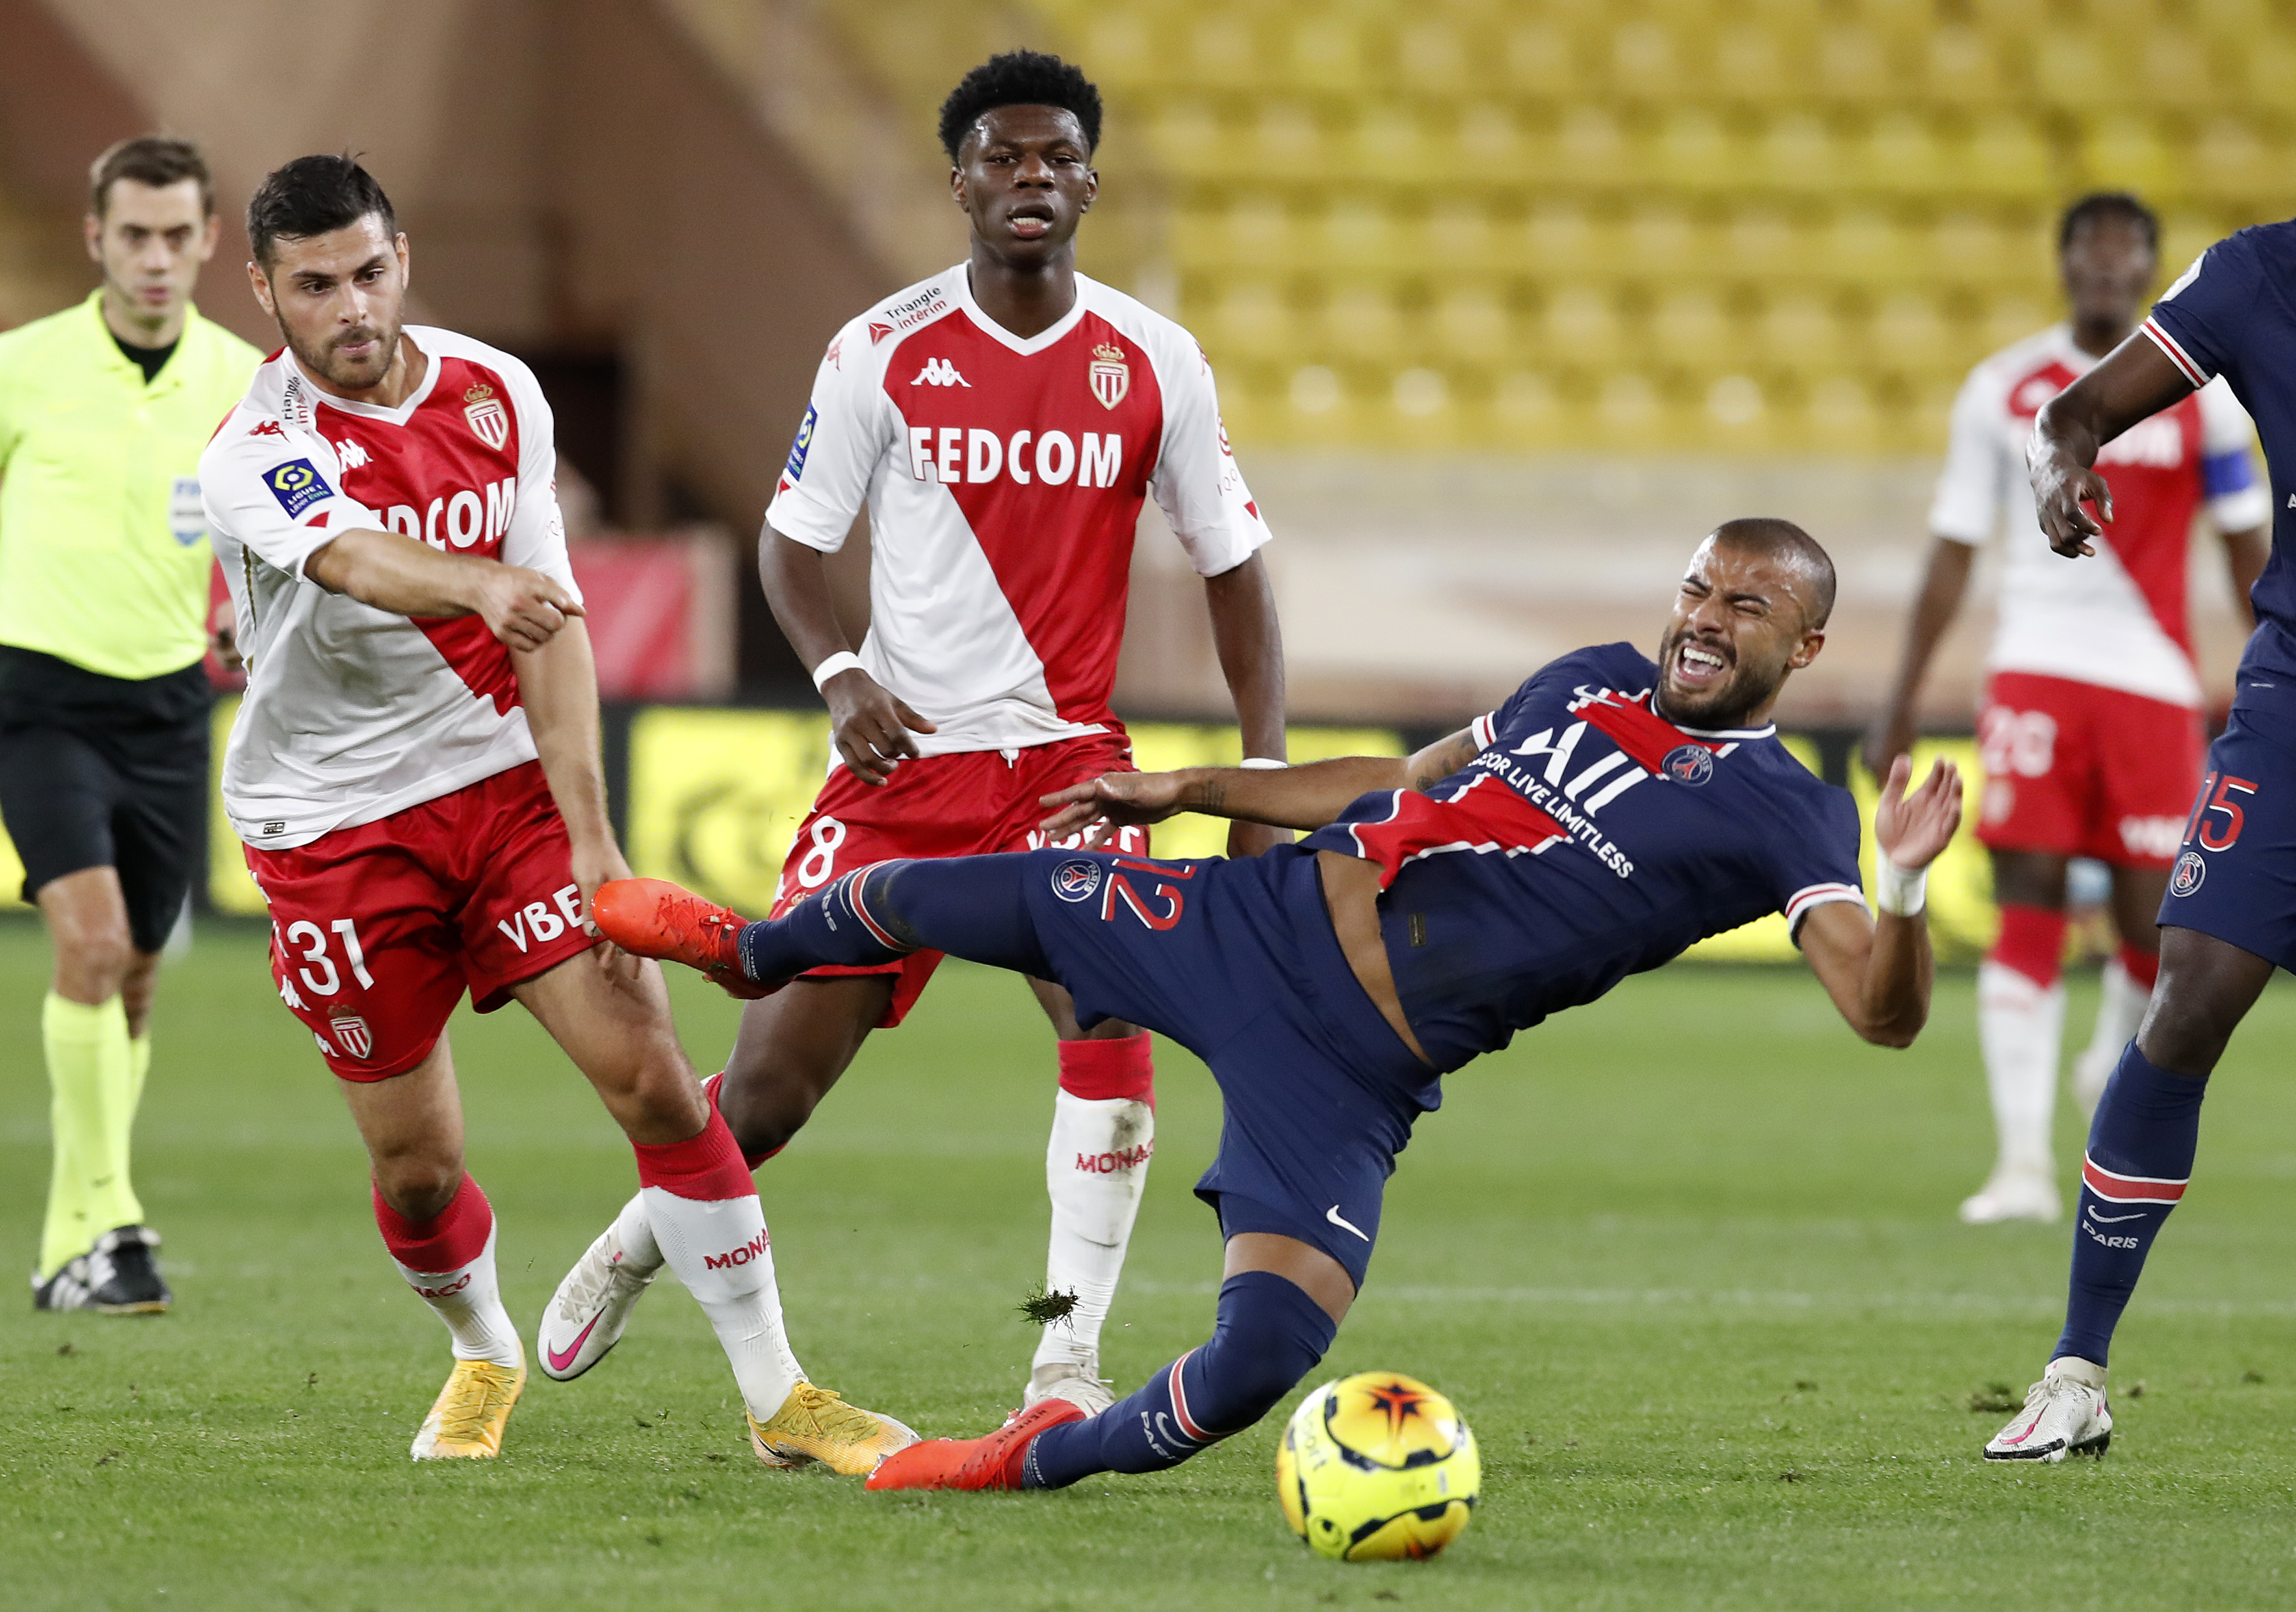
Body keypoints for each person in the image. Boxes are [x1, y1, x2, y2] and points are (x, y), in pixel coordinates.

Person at [591, 519, 1965, 1494]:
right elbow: (1394, 780)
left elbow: (1883, 1010)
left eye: (1747, 607)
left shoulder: (1787, 813)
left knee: (1259, 1360)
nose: (1706, 620)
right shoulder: (1590, 675)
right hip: (1258, 924)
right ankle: (755, 951)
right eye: (1699, 588)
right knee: (967, 885)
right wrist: (1192, 790)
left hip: (1354, 1073)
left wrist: (1899, 887)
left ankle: (1025, 1454)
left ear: (1810, 643)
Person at [540, 51, 1286, 1418]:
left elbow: (1236, 565)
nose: (1031, 179)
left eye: (1057, 159)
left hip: (1069, 770)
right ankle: (637, 1237)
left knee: (1111, 1034)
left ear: (1090, 184)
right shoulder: (882, 348)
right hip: (904, 769)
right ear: (959, 182)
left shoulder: (1156, 361)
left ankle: (1065, 1355)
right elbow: (792, 542)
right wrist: (836, 672)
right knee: (767, 1093)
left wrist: (1266, 764)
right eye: (1004, 158)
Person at [201, 153, 913, 1469]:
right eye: (314, 286)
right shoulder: (259, 447)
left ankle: (780, 1396)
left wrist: (596, 847)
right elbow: (357, 560)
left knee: (652, 1072)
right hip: (332, 825)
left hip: (502, 787)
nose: (350, 308)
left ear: (402, 256)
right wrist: (478, 583)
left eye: (368, 272)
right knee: (417, 1167)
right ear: (264, 292)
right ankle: (483, 1344)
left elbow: (553, 625)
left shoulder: (498, 392)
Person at [1867, 192, 2269, 1228]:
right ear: (2061, 265)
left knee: (2158, 934)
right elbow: (1953, 551)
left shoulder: (2206, 399)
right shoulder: (2001, 390)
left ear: (2146, 269)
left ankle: (2106, 1062)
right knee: (2029, 900)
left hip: (2150, 683)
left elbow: (2244, 549)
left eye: (2123, 253)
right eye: (2086, 253)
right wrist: (1902, 697)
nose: (2103, 269)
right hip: (2036, 671)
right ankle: (2019, 1167)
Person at [1985, 216, 2296, 1460]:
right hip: (2290, 708)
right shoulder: (2258, 273)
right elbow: (2075, 412)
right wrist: (2064, 466)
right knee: (2190, 995)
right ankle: (2075, 1371)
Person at [0, 135, 261, 1313]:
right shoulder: (23, 368)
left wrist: (251, 625)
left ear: (210, 241)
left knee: (140, 981)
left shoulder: (246, 384)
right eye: (133, 236)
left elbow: (281, 543)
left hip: (166, 708)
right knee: (94, 947)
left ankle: (72, 1241)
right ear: (95, 238)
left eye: (177, 237)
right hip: (36, 695)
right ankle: (111, 1227)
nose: (155, 259)